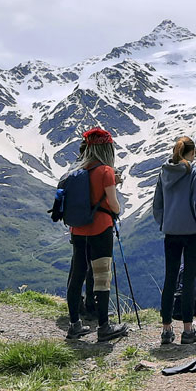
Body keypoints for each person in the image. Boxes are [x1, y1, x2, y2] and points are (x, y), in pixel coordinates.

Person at [63, 127, 129, 342]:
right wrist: (114, 194)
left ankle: (74, 325)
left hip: (78, 229)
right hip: (100, 228)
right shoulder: (106, 171)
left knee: (77, 275)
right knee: (101, 276)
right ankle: (103, 326)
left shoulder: (76, 171)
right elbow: (114, 205)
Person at [153, 136, 196, 345]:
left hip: (171, 233)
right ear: (192, 153)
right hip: (193, 233)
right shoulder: (194, 173)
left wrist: (165, 224)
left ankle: (166, 330)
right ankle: (188, 331)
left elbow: (157, 204)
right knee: (189, 280)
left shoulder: (164, 173)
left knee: (170, 279)